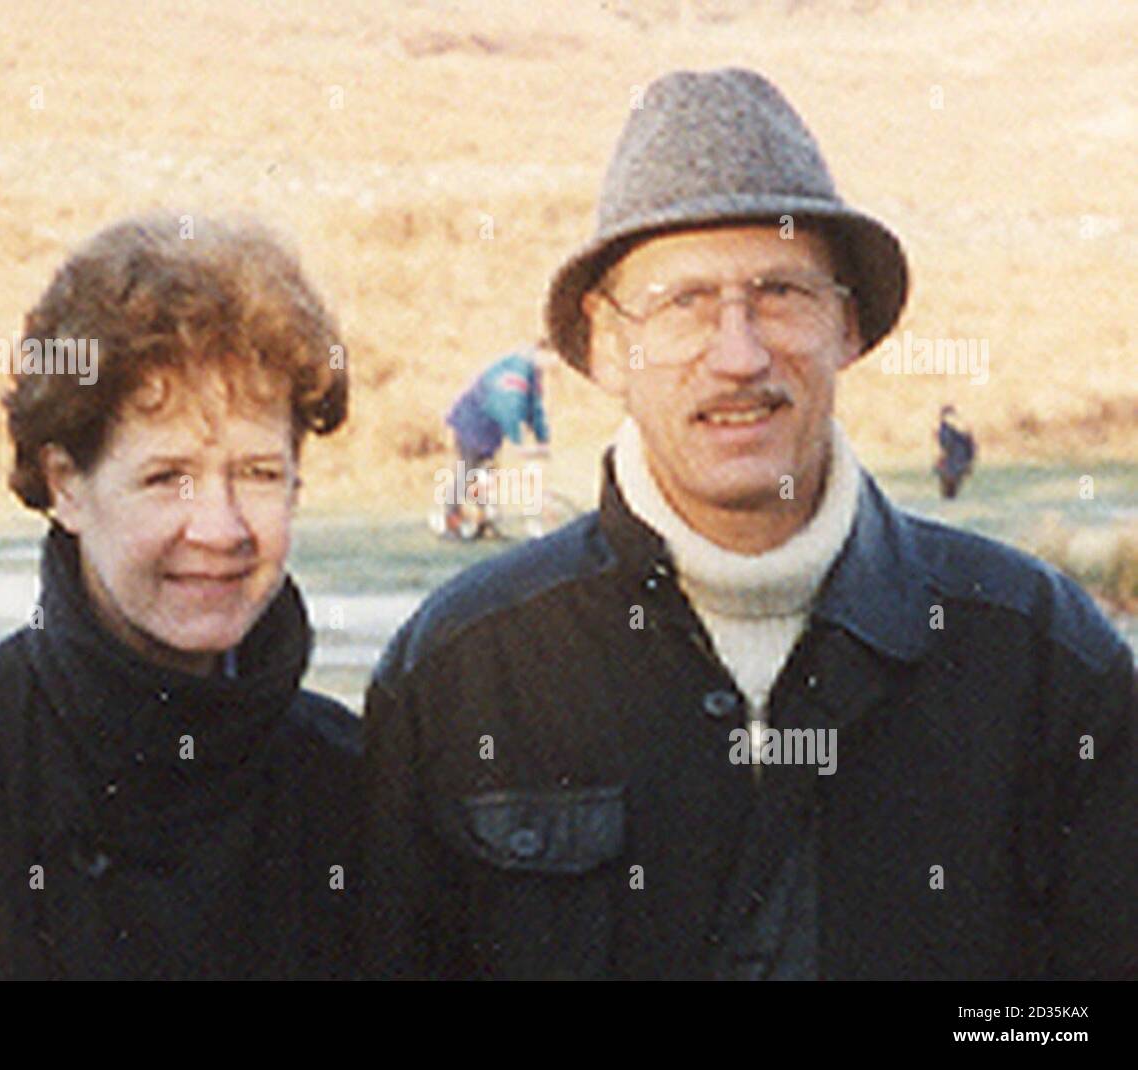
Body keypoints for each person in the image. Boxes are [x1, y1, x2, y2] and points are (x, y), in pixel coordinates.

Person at [362, 69, 1137, 980]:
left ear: (847, 327)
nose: (738, 354)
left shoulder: (1046, 660)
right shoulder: (459, 674)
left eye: (780, 294)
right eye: (683, 302)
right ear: (608, 345)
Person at [0, 213, 359, 980]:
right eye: (164, 478)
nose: (219, 529)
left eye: (258, 473)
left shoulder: (349, 787)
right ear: (65, 487)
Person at [439, 339, 553, 539]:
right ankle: (451, 523)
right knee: (468, 474)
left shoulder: (531, 374)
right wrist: (519, 442)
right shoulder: (515, 373)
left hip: (489, 432)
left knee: (485, 476)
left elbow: (533, 408)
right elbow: (508, 408)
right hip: (472, 425)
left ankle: (484, 523)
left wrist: (542, 437)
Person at [935, 403, 977, 498]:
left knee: (951, 480)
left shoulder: (948, 432)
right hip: (956, 462)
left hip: (955, 462)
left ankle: (949, 493)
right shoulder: (948, 432)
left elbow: (947, 446)